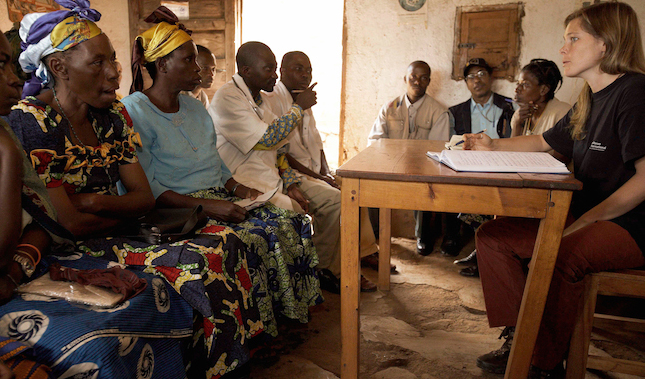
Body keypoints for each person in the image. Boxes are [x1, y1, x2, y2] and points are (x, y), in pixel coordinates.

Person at [8, 4, 261, 378]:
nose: (115, 72)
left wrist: (95, 201)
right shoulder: (33, 122)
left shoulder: (111, 117)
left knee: (226, 246)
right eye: (98, 63)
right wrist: (120, 209)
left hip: (121, 232)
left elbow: (143, 199)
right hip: (75, 248)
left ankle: (217, 363)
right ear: (59, 68)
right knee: (191, 266)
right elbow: (69, 225)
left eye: (113, 59)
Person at [464, 2, 645, 377]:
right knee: (493, 236)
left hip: (632, 225)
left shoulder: (635, 93)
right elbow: (545, 142)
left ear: (605, 45)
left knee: (562, 255)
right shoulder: (589, 97)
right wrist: (491, 145)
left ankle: (543, 365)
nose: (563, 48)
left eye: (573, 39)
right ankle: (523, 337)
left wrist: (588, 220)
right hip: (588, 215)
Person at [124, 12, 323, 338]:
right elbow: (150, 185)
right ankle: (241, 338)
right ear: (161, 66)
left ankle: (282, 319)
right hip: (176, 207)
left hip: (216, 194)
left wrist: (239, 188)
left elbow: (215, 164)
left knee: (287, 222)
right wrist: (207, 206)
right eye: (189, 61)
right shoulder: (135, 111)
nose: (199, 69)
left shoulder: (195, 109)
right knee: (241, 241)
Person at [209, 42, 377, 293]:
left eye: (275, 69)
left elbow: (279, 151)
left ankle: (321, 270)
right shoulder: (229, 97)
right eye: (269, 69)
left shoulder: (258, 99)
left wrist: (291, 183)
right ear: (245, 70)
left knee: (331, 203)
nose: (274, 76)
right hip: (244, 185)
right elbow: (267, 138)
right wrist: (299, 107)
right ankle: (303, 282)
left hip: (271, 181)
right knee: (297, 214)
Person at [264, 51, 388, 274]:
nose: (305, 75)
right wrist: (320, 177)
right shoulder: (272, 100)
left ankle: (363, 251)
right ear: (281, 71)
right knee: (339, 200)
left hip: (311, 172)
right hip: (290, 174)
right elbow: (282, 153)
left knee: (357, 187)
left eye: (308, 70)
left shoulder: (303, 97)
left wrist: (326, 171)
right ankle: (327, 268)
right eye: (298, 69)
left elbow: (316, 140)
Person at [367, 61, 450, 256]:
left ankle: (422, 236)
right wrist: (390, 160)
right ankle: (372, 236)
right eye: (413, 77)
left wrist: (414, 162)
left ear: (429, 81)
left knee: (426, 184)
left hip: (421, 167)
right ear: (405, 79)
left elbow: (437, 149)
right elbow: (374, 140)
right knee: (368, 184)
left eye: (423, 78)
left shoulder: (438, 111)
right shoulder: (389, 107)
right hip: (390, 166)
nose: (417, 81)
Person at [448, 58, 516, 276]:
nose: (476, 81)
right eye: (470, 77)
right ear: (466, 83)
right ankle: (481, 251)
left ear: (491, 78)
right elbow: (452, 144)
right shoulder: (456, 111)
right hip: (469, 168)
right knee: (464, 197)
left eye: (481, 74)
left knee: (485, 202)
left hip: (502, 166)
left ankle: (485, 254)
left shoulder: (509, 106)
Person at [510, 59, 570, 137]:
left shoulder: (563, 113)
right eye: (518, 83)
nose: (517, 89)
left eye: (525, 84)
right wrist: (517, 124)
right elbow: (513, 148)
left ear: (543, 90)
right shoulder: (519, 115)